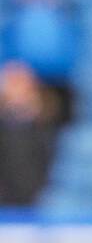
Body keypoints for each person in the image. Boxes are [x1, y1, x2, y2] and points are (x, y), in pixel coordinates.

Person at [1, 0, 81, 124]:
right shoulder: (9, 10)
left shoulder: (67, 10)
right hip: (17, 79)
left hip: (58, 83)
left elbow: (74, 48)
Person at [0, 61, 56, 206]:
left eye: (21, 83)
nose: (17, 90)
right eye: (12, 83)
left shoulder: (48, 125)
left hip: (38, 202)